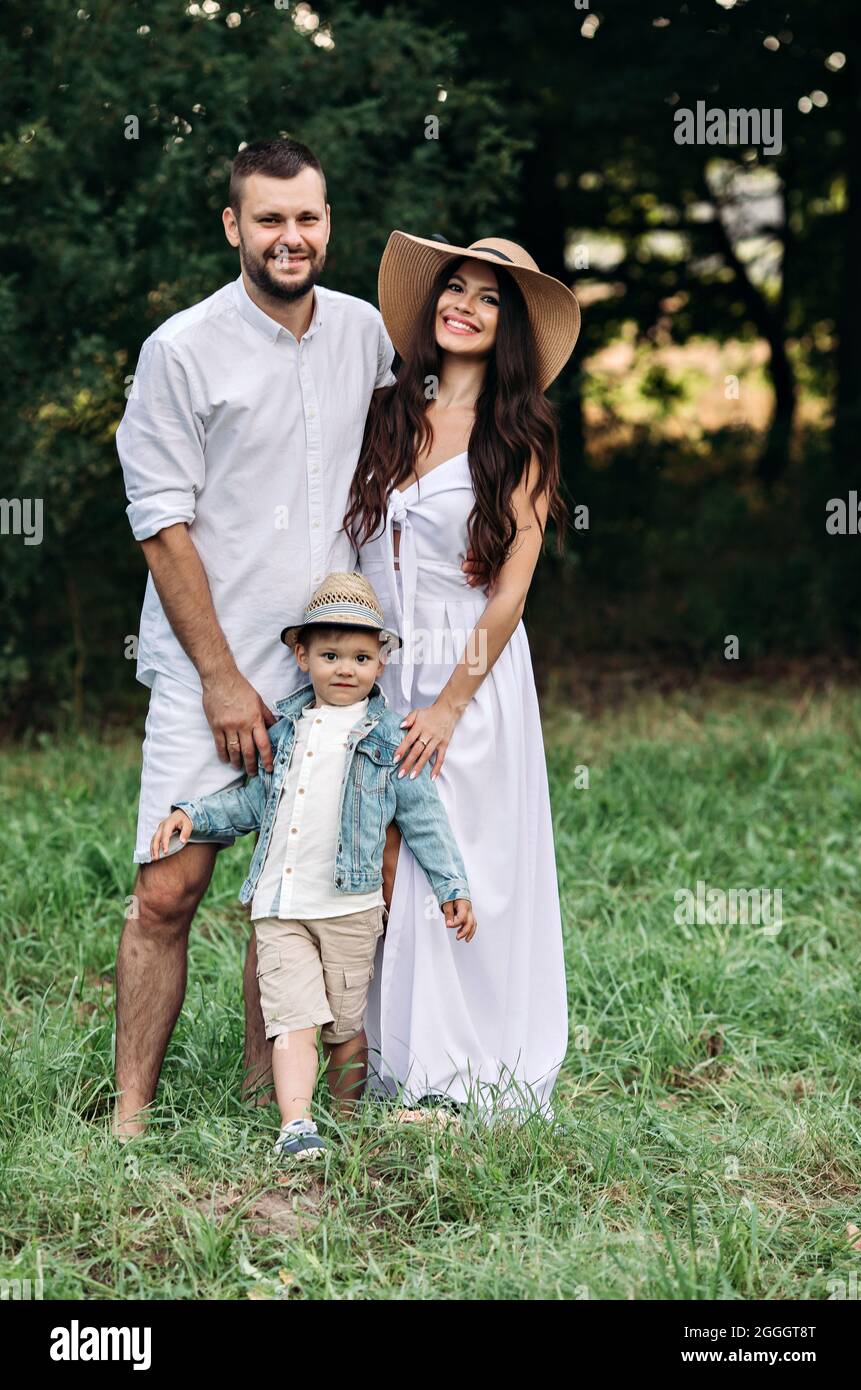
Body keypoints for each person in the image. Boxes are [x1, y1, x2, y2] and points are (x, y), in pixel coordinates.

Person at [113, 138, 396, 1139]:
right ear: (233, 226)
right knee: (168, 889)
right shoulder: (181, 349)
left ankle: (263, 1101)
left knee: (295, 898)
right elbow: (160, 522)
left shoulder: (365, 333)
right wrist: (223, 677)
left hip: (330, 676)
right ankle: (131, 1116)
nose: (290, 236)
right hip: (213, 672)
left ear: (328, 224)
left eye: (307, 217)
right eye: (268, 218)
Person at [345, 231, 580, 1119]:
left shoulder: (518, 437)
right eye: (456, 288)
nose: (465, 306)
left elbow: (511, 596)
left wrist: (446, 708)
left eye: (488, 297)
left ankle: (465, 1075)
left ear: (507, 326)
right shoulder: (389, 414)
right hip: (380, 666)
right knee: (388, 862)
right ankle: (392, 1063)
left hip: (469, 675)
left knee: (466, 863)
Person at [150, 574, 476, 1159]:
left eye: (359, 656)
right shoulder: (286, 731)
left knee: (344, 1029)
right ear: (302, 656)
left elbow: (425, 819)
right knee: (293, 1021)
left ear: (380, 663)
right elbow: (252, 801)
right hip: (281, 905)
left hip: (350, 908)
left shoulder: (386, 741)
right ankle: (296, 1127)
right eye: (329, 655)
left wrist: (452, 885)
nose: (344, 668)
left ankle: (347, 1119)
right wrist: (192, 815)